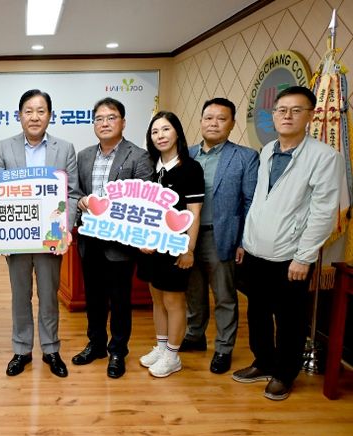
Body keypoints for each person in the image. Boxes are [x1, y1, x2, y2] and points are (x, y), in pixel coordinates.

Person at [233, 86, 343, 401]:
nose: (287, 116)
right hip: (256, 250)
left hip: (290, 256)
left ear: (310, 116)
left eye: (296, 110)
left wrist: (304, 257)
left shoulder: (324, 157)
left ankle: (284, 373)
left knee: (289, 319)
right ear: (273, 115)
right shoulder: (268, 150)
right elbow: (259, 201)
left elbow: (323, 212)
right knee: (257, 312)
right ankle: (263, 362)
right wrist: (245, 241)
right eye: (281, 110)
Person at [0, 89, 80, 378]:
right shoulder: (4, 148)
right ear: (19, 115)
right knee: (20, 296)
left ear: (49, 115)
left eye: (40, 111)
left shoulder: (64, 149)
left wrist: (63, 230)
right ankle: (22, 350)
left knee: (48, 296)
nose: (34, 117)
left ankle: (51, 349)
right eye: (28, 111)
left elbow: (72, 194)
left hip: (50, 238)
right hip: (16, 238)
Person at [72, 97, 154, 379]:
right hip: (89, 240)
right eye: (99, 118)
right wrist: (81, 201)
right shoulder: (84, 156)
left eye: (111, 117)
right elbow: (75, 192)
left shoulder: (138, 156)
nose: (104, 123)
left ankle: (118, 350)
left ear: (123, 122)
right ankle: (96, 344)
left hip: (119, 242)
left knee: (119, 300)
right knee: (93, 298)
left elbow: (143, 199)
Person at [182, 98, 259, 374]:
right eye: (208, 118)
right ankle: (195, 335)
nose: (213, 123)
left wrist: (243, 242)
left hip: (222, 236)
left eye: (221, 118)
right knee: (193, 291)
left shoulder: (245, 157)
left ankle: (224, 348)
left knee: (224, 296)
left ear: (232, 123)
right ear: (201, 121)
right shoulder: (186, 154)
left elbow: (250, 202)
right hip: (188, 237)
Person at [137, 111, 204, 378]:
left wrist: (189, 249)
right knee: (156, 298)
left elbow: (194, 212)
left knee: (173, 300)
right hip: (150, 248)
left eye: (165, 129)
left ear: (177, 132)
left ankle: (173, 356)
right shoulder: (149, 169)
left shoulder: (190, 168)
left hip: (176, 246)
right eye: (155, 132)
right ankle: (162, 346)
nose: (160, 136)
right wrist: (141, 239)